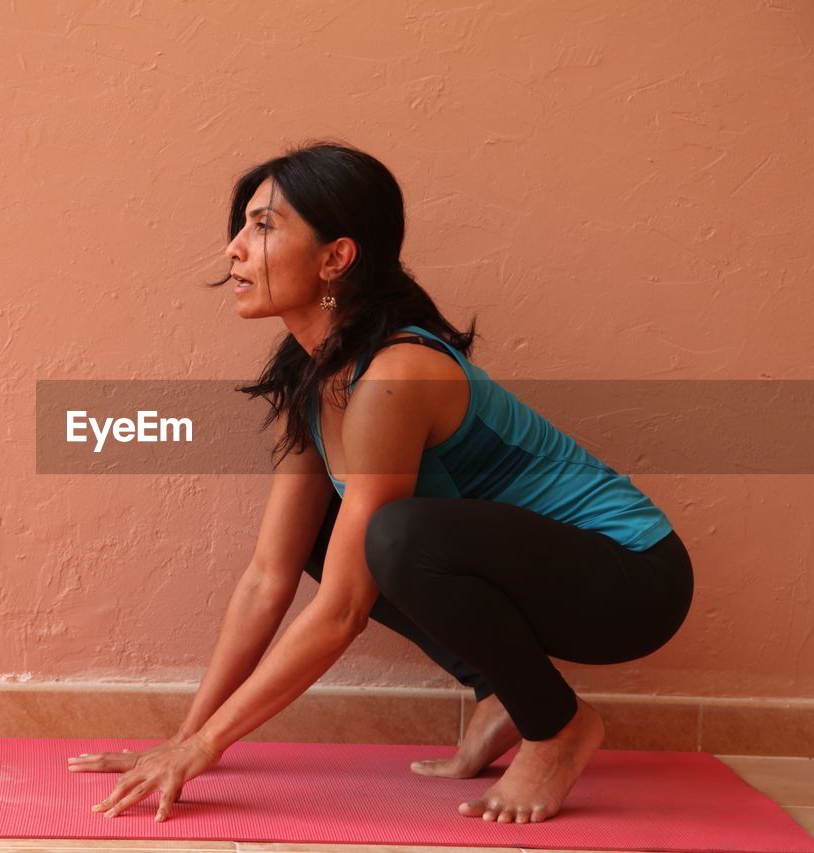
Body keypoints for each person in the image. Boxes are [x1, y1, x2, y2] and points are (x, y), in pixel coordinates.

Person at [66, 140, 694, 825]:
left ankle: (557, 728)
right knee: (330, 533)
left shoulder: (397, 374)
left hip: (633, 579)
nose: (235, 249)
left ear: (337, 256)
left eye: (264, 225)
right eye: (242, 225)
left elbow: (343, 608)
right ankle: (500, 693)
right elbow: (268, 574)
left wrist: (209, 745)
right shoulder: (314, 374)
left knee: (393, 535)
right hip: (551, 574)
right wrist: (187, 739)